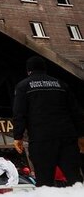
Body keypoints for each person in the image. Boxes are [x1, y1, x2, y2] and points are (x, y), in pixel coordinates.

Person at [12, 55, 84, 187]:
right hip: (67, 138)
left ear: (28, 70)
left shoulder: (23, 86)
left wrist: (18, 136)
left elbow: (19, 113)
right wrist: (81, 135)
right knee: (75, 179)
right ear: (45, 69)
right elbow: (76, 112)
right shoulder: (61, 85)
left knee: (45, 182)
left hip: (41, 139)